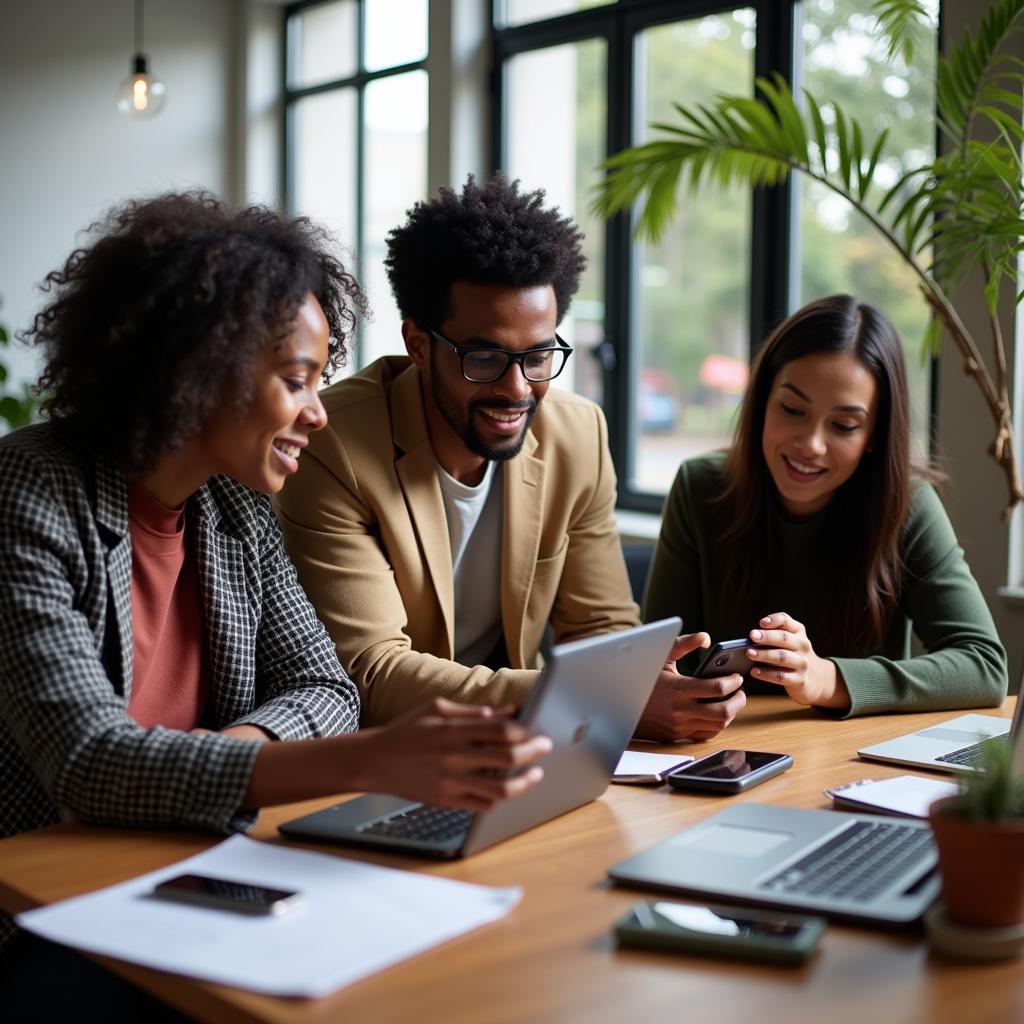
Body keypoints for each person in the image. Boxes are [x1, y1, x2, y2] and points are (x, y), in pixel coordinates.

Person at [0, 193, 553, 1007]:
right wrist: (363, 759)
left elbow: (328, 689)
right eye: (296, 381)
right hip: (48, 910)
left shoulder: (235, 511)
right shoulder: (29, 494)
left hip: (195, 872)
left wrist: (237, 753)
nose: (318, 413)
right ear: (199, 369)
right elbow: (90, 761)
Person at [275, 174, 745, 743]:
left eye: (539, 355)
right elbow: (371, 675)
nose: (518, 388)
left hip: (518, 751)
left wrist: (649, 681)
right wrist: (596, 696)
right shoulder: (333, 444)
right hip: (386, 753)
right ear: (418, 343)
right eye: (485, 357)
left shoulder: (579, 434)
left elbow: (599, 627)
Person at [643, 294, 1008, 715]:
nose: (811, 444)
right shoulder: (700, 488)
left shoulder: (907, 506)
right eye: (793, 409)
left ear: (873, 435)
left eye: (844, 425)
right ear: (762, 401)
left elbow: (984, 665)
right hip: (719, 754)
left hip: (854, 766)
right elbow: (659, 663)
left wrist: (827, 679)